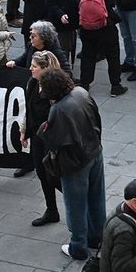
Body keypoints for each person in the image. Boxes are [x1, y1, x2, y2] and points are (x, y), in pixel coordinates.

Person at [39, 68, 107, 261]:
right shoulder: (81, 93)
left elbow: (55, 139)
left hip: (75, 163)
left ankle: (78, 245)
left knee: (75, 205)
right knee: (96, 197)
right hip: (95, 152)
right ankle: (96, 237)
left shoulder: (59, 109)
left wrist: (43, 130)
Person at [22, 50, 65, 226]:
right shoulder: (32, 83)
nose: (30, 69)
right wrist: (24, 130)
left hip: (51, 139)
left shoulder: (54, 90)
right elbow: (28, 109)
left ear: (45, 68)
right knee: (42, 172)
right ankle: (51, 210)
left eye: (34, 66)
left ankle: (79, 201)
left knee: (53, 176)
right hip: (37, 136)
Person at [77, 0, 125, 96]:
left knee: (87, 54)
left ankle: (85, 84)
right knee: (112, 55)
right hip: (106, 26)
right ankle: (115, 86)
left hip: (86, 27)